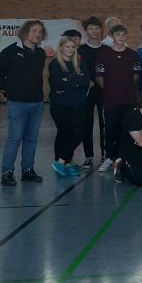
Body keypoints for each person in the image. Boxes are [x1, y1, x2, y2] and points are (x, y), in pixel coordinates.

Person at [0, 19, 48, 186]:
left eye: (40, 31)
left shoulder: (41, 53)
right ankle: (7, 172)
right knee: (15, 138)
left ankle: (28, 170)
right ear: (25, 32)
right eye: (34, 30)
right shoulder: (10, 51)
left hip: (37, 103)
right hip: (17, 103)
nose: (37, 34)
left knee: (31, 138)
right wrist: (7, 92)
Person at [96, 24, 141, 173]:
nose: (121, 37)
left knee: (127, 129)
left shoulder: (133, 55)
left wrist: (124, 88)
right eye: (117, 34)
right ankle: (109, 157)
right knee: (110, 129)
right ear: (112, 36)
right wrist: (111, 89)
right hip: (111, 100)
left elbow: (135, 76)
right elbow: (100, 77)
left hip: (128, 100)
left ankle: (124, 157)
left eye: (123, 34)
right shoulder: (103, 55)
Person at [47, 35, 91, 177]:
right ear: (61, 48)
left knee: (79, 133)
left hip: (77, 104)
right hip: (60, 106)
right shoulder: (55, 64)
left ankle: (61, 161)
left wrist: (70, 78)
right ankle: (64, 163)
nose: (71, 49)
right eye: (67, 47)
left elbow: (86, 79)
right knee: (64, 134)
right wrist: (77, 80)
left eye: (73, 47)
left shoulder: (78, 62)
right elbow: (57, 85)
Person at [77, 16, 105, 170]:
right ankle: (88, 156)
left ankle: (105, 154)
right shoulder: (80, 49)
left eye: (96, 28)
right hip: (86, 92)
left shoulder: (106, 49)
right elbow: (76, 70)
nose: (94, 31)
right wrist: (85, 81)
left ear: (100, 30)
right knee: (87, 123)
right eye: (91, 28)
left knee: (104, 123)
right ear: (86, 31)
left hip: (104, 91)